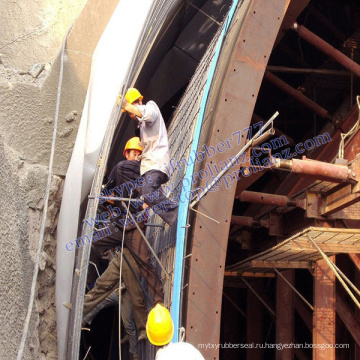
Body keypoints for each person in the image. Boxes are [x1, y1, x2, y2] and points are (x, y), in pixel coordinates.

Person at [87, 137, 164, 306]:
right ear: (127, 154)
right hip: (118, 224)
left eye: (139, 155)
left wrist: (146, 202)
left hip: (134, 226)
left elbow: (151, 192)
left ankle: (159, 301)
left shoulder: (137, 173)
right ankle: (89, 282)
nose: (136, 157)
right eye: (133, 153)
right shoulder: (124, 171)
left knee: (145, 263)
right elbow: (106, 194)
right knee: (92, 244)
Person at [119, 88, 178, 226]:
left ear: (139, 101)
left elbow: (148, 114)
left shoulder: (151, 106)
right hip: (147, 166)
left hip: (156, 164)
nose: (130, 114)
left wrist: (127, 105)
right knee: (122, 168)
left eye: (130, 110)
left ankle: (175, 212)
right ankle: (145, 191)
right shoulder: (142, 127)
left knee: (148, 192)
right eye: (128, 112)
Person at [83, 248, 147, 360]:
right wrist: (110, 258)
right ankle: (84, 320)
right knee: (99, 302)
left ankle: (135, 353)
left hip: (126, 293)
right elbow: (113, 272)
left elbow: (131, 281)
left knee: (128, 325)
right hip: (116, 291)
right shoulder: (117, 253)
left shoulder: (133, 258)